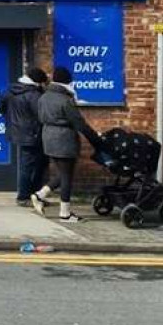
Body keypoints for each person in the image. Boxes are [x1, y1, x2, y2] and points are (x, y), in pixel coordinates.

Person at [31, 66, 103, 223]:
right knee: (66, 177)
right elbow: (80, 123)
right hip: (63, 140)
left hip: (48, 138)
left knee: (63, 173)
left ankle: (39, 195)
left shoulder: (43, 97)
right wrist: (95, 139)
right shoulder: (65, 100)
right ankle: (65, 214)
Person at [0, 67, 49, 207]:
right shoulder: (34, 94)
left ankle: (33, 196)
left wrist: (11, 119)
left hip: (17, 132)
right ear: (38, 82)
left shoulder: (10, 90)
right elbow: (41, 115)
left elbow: (0, 105)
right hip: (33, 134)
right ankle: (24, 197)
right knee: (31, 167)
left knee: (31, 165)